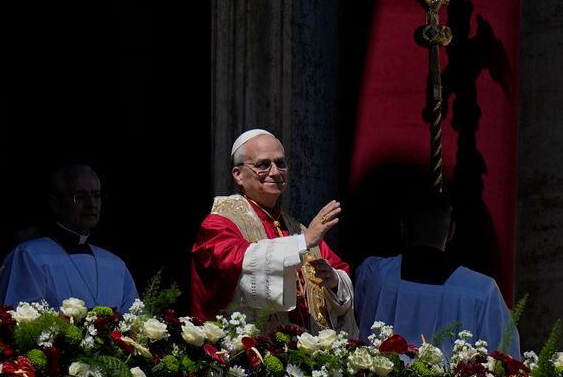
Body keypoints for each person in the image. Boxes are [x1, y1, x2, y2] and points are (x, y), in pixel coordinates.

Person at [191, 129, 356, 334]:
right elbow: (234, 264)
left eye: (280, 163)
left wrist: (334, 281)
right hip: (249, 350)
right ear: (238, 174)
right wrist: (302, 242)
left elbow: (340, 271)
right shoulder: (219, 224)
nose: (275, 172)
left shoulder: (297, 229)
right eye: (263, 165)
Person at [355, 187, 520, 359]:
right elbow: (505, 359)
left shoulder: (374, 274)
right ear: (451, 231)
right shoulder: (482, 291)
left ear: (402, 228)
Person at [0, 164, 138, 312]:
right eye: (80, 196)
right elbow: (20, 318)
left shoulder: (115, 265)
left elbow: (137, 320)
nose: (91, 204)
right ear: (56, 203)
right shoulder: (30, 256)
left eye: (96, 195)